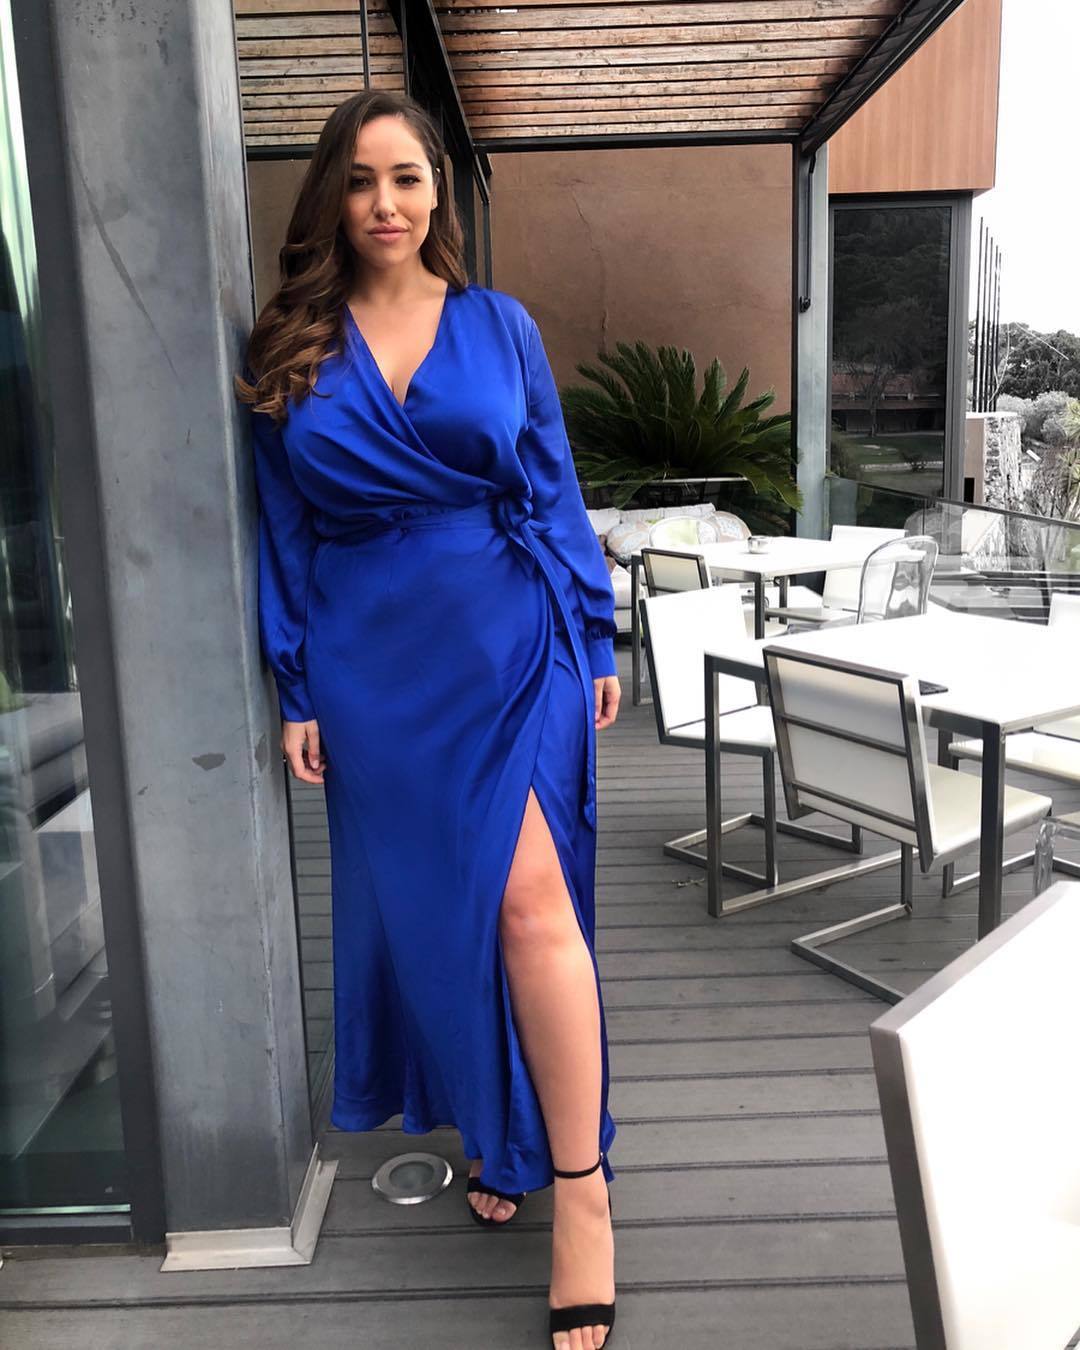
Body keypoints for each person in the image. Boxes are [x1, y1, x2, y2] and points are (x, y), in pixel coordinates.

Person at [234, 89, 620, 1349]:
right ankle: (504, 1136)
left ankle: (582, 1193)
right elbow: (286, 531)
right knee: (441, 920)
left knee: (529, 901)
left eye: (406, 176)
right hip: (375, 667)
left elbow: (552, 486)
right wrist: (297, 683)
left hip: (511, 638)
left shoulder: (500, 326)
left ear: (438, 191)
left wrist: (595, 630)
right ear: (330, 198)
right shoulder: (289, 344)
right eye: (359, 180)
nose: (384, 202)